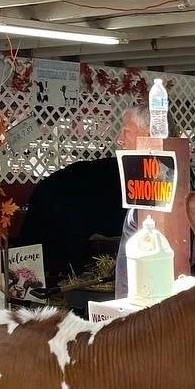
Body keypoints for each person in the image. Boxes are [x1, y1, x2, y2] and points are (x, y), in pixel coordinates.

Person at [19, 105, 143, 284]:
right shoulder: (55, 191)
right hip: (69, 200)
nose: (119, 140)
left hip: (67, 200)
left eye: (126, 132)